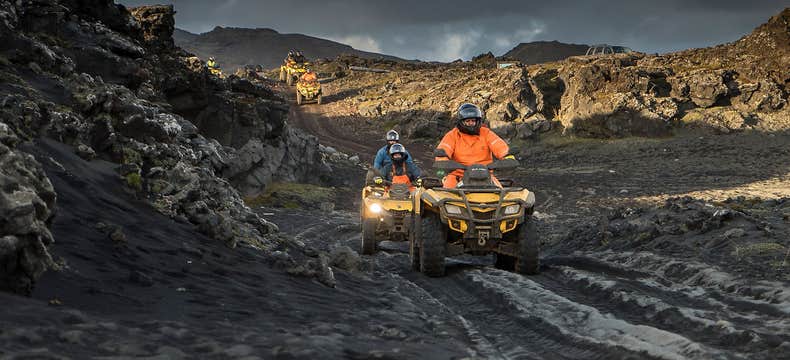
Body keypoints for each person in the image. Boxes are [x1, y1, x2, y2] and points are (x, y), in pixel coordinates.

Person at [435, 103, 515, 188]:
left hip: (485, 176)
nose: (471, 123)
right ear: (461, 122)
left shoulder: (486, 133)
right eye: (467, 121)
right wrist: (443, 161)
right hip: (458, 176)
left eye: (473, 121)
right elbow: (444, 149)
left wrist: (507, 157)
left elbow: (499, 146)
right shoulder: (452, 135)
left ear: (478, 121)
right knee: (446, 194)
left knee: (501, 193)